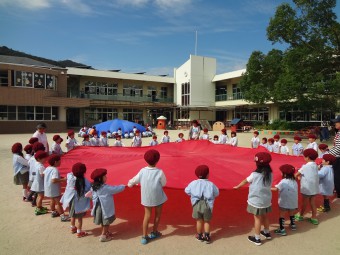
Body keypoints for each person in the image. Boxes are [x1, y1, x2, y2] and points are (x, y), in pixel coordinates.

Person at [127, 149, 167, 245]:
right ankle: (154, 232)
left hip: (146, 197)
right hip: (158, 197)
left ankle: (144, 236)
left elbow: (134, 180)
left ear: (145, 160)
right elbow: (164, 183)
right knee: (157, 215)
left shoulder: (142, 171)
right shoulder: (160, 172)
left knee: (147, 216)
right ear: (157, 160)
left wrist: (130, 184)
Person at [233, 152, 273, 246]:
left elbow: (245, 181)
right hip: (266, 199)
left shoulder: (255, 174)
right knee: (265, 216)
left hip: (257, 200)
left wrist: (238, 186)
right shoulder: (270, 173)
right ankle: (267, 232)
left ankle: (257, 238)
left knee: (257, 219)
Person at [87, 168, 125, 242]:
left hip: (98, 207)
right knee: (106, 222)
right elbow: (116, 189)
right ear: (100, 178)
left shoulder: (93, 187)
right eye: (105, 176)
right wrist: (124, 186)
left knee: (103, 221)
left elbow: (90, 193)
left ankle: (106, 232)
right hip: (105, 208)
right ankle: (103, 235)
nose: (106, 177)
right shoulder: (105, 188)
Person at [184, 165, 219, 243]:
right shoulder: (211, 184)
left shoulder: (193, 183)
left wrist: (193, 194)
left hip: (196, 204)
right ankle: (207, 236)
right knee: (207, 221)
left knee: (199, 220)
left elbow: (187, 191)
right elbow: (216, 193)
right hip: (207, 205)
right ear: (207, 175)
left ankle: (199, 235)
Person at [60, 163, 91, 237]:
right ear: (84, 172)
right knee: (79, 218)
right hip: (79, 202)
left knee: (72, 215)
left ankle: (73, 228)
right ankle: (79, 232)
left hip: (71, 199)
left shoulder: (70, 177)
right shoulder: (84, 180)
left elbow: (69, 173)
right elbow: (89, 189)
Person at [294, 148, 319, 225]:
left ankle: (301, 215)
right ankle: (314, 217)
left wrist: (297, 176)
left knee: (304, 203)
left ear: (307, 157)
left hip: (307, 188)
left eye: (304, 156)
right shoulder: (315, 165)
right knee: (312, 202)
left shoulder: (305, 166)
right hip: (314, 188)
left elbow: (296, 175)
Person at [271, 164, 298, 235]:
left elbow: (276, 189)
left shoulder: (283, 182)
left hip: (284, 201)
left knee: (282, 214)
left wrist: (267, 188)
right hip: (293, 202)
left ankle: (282, 229)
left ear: (284, 174)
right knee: (291, 212)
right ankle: (293, 225)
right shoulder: (294, 181)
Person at [43, 154, 69, 221]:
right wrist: (63, 180)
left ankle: (53, 212)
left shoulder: (48, 168)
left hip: (48, 188)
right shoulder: (55, 170)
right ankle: (62, 216)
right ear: (55, 162)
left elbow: (44, 174)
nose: (60, 162)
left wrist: (60, 177)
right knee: (58, 202)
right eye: (59, 161)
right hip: (54, 188)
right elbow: (54, 180)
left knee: (52, 200)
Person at [30, 150, 49, 215]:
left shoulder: (36, 164)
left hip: (36, 183)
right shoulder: (41, 166)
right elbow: (43, 175)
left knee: (39, 196)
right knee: (41, 196)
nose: (45, 159)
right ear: (39, 159)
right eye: (44, 158)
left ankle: (39, 207)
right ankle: (38, 208)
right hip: (40, 184)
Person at [329, 115, 340, 198]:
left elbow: (338, 148)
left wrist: (328, 155)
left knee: (337, 176)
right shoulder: (338, 133)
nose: (335, 123)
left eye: (337, 122)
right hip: (337, 156)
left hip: (338, 158)